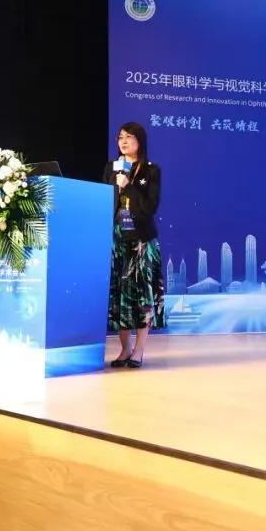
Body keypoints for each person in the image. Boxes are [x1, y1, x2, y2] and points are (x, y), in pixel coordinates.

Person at [104, 122, 166, 368]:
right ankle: (124, 349)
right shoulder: (111, 167)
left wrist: (128, 185)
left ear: (140, 141)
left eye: (129, 137)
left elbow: (149, 208)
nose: (123, 141)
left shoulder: (151, 170)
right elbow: (104, 202)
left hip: (141, 240)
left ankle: (139, 350)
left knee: (142, 295)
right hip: (117, 239)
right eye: (120, 137)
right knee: (120, 294)